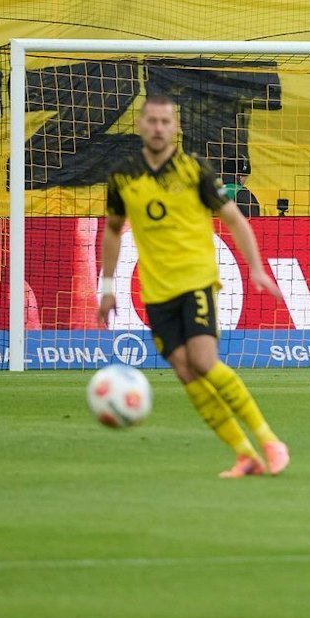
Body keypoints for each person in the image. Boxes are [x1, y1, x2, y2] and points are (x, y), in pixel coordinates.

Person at [94, 93, 288, 479]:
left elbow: (234, 219)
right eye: (152, 121)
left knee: (202, 362)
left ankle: (269, 439)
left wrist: (256, 268)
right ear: (140, 125)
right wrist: (108, 286)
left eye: (166, 121)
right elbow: (113, 230)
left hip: (196, 281)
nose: (158, 128)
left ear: (176, 127)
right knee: (184, 372)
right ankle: (244, 454)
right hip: (155, 290)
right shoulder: (123, 177)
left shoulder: (194, 171)